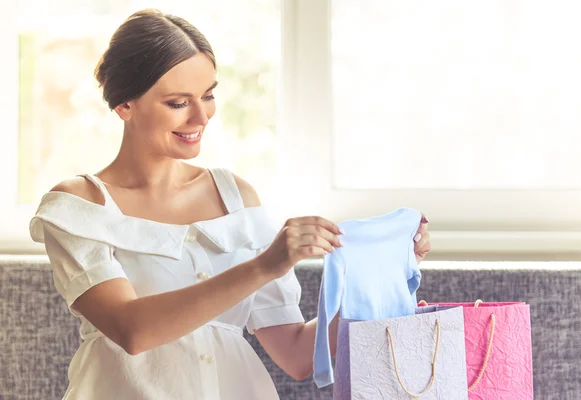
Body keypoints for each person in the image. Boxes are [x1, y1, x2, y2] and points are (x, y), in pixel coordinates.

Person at [29, 9, 431, 400]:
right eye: (178, 102)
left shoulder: (235, 197)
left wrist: (383, 270)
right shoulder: (79, 207)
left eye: (208, 95)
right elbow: (133, 331)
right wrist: (263, 266)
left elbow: (296, 354)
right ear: (125, 105)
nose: (202, 116)